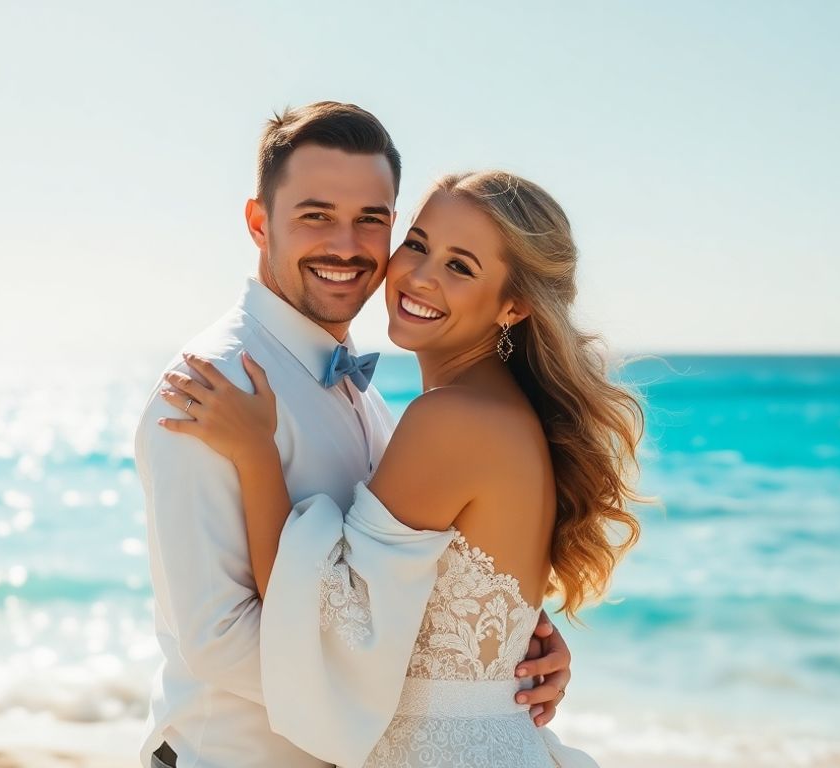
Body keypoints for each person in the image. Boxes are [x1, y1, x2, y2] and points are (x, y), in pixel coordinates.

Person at [134, 103, 574, 768]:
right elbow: (217, 638)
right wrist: (440, 700)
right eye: (316, 216)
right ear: (259, 223)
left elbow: (405, 586)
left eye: (371, 220)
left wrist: (499, 658)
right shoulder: (213, 386)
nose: (346, 244)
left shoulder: (372, 395)